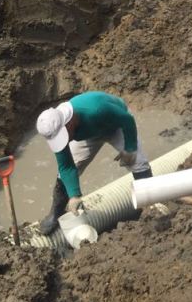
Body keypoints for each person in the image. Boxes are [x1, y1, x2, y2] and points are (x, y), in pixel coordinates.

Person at [36, 91, 153, 235]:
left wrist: (130, 148)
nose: (63, 141)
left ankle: (151, 208)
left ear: (69, 122)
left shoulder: (97, 109)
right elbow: (66, 166)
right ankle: (55, 214)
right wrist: (74, 195)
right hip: (89, 134)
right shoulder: (57, 130)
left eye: (63, 136)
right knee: (63, 175)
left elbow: (126, 119)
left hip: (115, 125)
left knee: (139, 163)